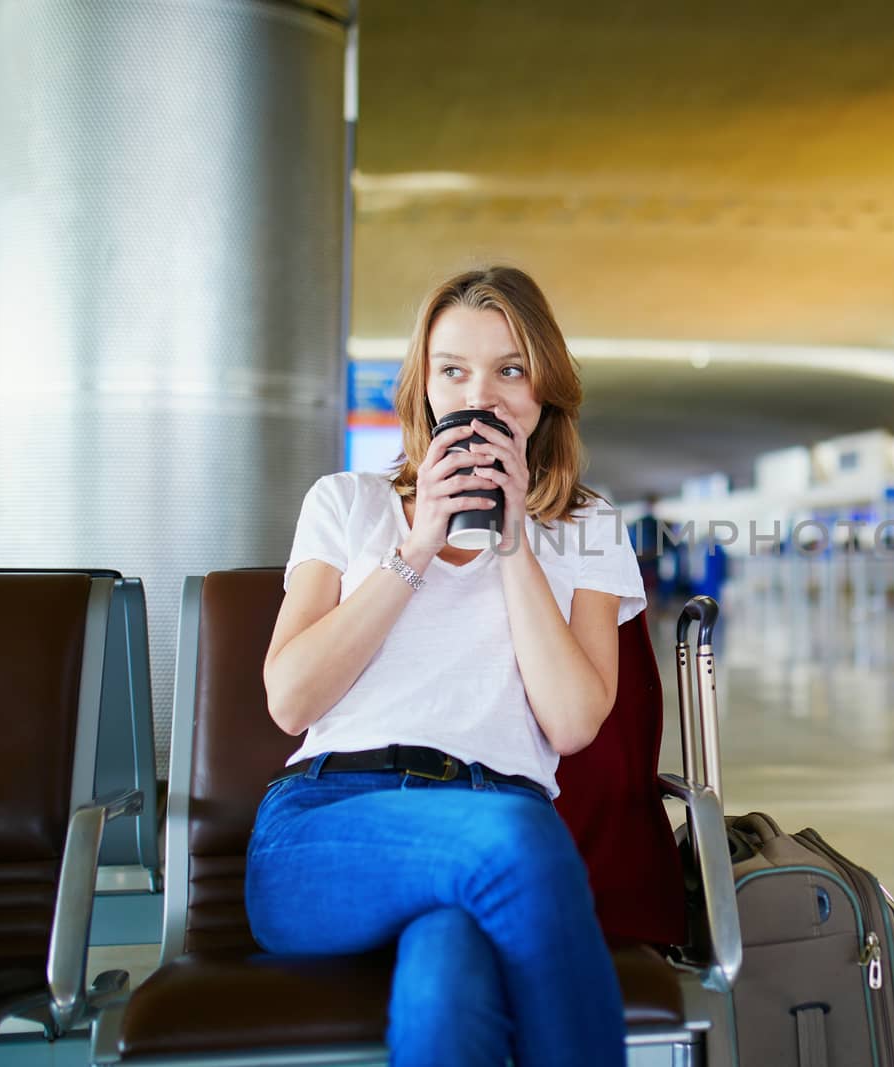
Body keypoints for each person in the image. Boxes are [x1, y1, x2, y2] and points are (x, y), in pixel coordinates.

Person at [247, 267, 644, 1067]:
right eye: (453, 370)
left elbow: (571, 723)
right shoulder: (346, 501)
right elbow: (290, 701)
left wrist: (513, 544)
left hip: (492, 819)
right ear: (424, 385)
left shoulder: (589, 526)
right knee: (516, 838)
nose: (481, 397)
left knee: (446, 984)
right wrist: (416, 545)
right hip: (329, 822)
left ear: (545, 390)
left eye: (509, 370)